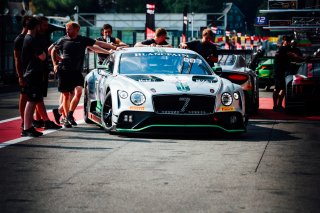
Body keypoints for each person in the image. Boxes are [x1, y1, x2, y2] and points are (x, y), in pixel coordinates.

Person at [51, 21, 118, 128]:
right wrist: (56, 63)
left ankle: (67, 114)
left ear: (76, 30)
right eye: (66, 29)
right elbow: (52, 50)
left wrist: (113, 49)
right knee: (66, 95)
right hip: (64, 70)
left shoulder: (83, 40)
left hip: (76, 72)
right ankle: (67, 117)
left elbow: (98, 44)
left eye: (69, 29)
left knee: (78, 92)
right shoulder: (62, 39)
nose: (67, 31)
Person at [21, 17, 61, 137]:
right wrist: (47, 51)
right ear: (36, 26)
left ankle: (39, 123)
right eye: (40, 26)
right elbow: (43, 56)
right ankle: (27, 128)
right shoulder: (31, 40)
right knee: (31, 101)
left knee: (37, 99)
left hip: (35, 73)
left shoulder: (30, 39)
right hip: (33, 73)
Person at [273, 36, 305, 112]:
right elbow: (293, 55)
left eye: (289, 41)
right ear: (284, 41)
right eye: (287, 41)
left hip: (277, 71)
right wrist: (304, 59)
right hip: (280, 71)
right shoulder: (284, 49)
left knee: (277, 88)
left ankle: (275, 106)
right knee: (282, 89)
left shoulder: (280, 48)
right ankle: (279, 105)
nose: (288, 43)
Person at [13, 15, 31, 129]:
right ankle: (23, 121)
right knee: (24, 95)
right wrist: (20, 76)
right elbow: (17, 59)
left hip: (32, 71)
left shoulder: (32, 37)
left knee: (34, 97)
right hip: (24, 72)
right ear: (26, 24)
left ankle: (32, 120)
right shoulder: (20, 39)